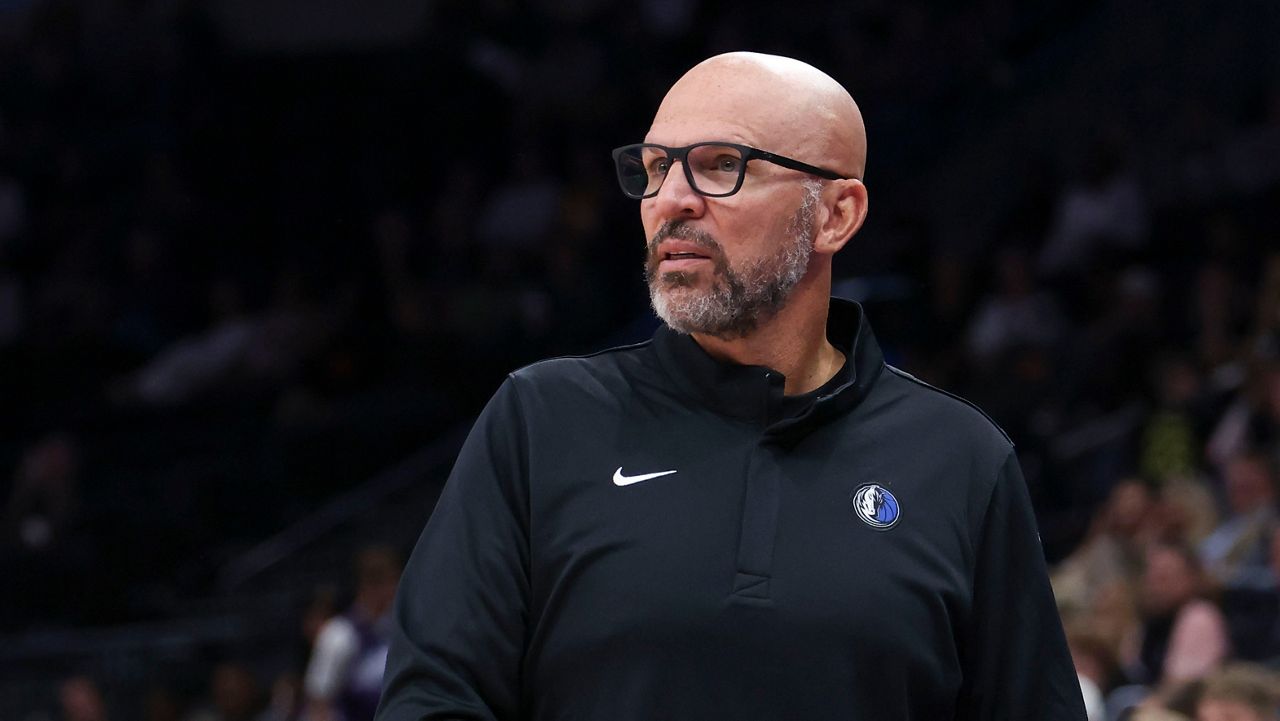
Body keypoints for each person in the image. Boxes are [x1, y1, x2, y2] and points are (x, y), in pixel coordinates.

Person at [377, 52, 1085, 720]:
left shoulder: (961, 458)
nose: (671, 200)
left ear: (836, 213)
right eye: (655, 168)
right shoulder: (542, 419)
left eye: (722, 165)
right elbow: (434, 697)